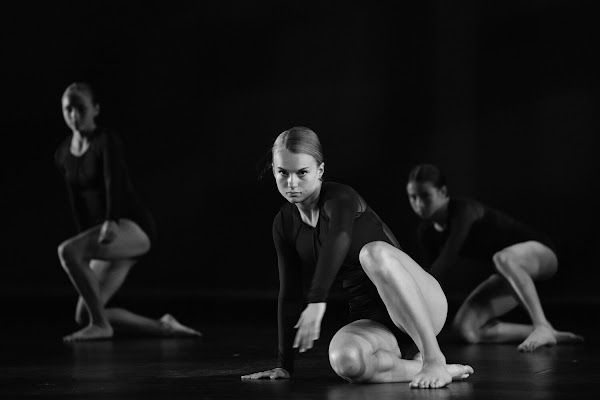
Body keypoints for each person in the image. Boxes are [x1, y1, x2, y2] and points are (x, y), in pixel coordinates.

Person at [241, 127, 472, 388]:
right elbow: (290, 293)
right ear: (274, 170)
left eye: (302, 172)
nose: (292, 183)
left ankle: (434, 359)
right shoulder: (284, 223)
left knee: (372, 253)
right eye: (283, 172)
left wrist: (317, 300)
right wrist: (285, 365)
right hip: (373, 319)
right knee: (345, 360)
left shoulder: (341, 198)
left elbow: (338, 237)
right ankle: (427, 368)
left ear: (320, 170)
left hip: (422, 304)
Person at [55, 82, 201, 342]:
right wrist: (86, 241)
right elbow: (76, 201)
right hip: (104, 234)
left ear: (95, 109)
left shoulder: (105, 140)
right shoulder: (63, 153)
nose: (74, 115)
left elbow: (114, 182)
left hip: (131, 226)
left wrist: (111, 220)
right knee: (84, 313)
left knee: (67, 251)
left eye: (81, 108)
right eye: (68, 109)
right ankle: (164, 326)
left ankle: (101, 326)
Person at [406, 163, 583, 352]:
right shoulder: (426, 231)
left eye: (425, 196)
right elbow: (433, 281)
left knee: (503, 258)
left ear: (442, 192)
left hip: (540, 254)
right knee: (466, 329)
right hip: (511, 275)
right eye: (413, 197)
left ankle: (541, 325)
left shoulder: (464, 211)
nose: (419, 204)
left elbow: (445, 262)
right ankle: (545, 332)